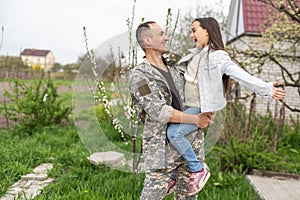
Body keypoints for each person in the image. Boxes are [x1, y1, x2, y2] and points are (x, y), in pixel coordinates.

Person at [166, 16, 286, 196]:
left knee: (174, 133)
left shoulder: (217, 56)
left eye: (194, 30)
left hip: (199, 108)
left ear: (206, 30)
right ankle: (175, 174)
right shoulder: (194, 54)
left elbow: (241, 75)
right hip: (186, 106)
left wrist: (266, 88)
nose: (191, 35)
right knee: (169, 130)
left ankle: (198, 169)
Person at [129, 21, 213, 200]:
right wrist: (196, 120)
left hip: (189, 144)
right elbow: (159, 112)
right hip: (161, 150)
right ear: (147, 40)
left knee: (188, 198)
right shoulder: (139, 76)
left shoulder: (175, 67)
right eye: (161, 34)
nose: (166, 38)